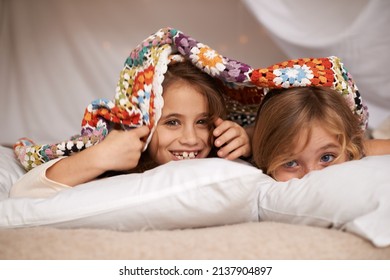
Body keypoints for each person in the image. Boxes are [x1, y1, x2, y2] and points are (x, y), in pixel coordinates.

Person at [10, 60, 251, 198]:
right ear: (142, 122)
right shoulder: (119, 159)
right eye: (172, 122)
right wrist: (100, 156)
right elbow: (24, 192)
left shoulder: (219, 154)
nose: (191, 139)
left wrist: (246, 140)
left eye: (203, 122)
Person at [251, 86, 390, 181]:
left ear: (349, 151)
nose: (312, 175)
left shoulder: (358, 151)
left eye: (326, 157)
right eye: (290, 163)